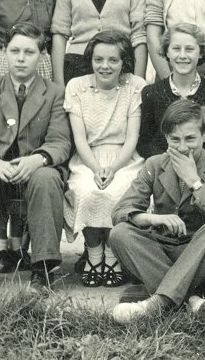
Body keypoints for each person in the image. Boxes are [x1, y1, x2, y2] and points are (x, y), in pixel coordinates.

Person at [0, 23, 72, 295]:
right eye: (15, 51)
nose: (21, 58)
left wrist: (38, 160)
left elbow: (60, 141)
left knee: (47, 179)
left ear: (41, 57)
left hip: (34, 170)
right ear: (4, 54)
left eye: (29, 52)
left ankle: (43, 267)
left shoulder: (54, 92)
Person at [109, 99, 205, 323]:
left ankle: (157, 303)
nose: (182, 147)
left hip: (200, 253)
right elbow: (120, 211)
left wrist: (194, 181)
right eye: (174, 139)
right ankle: (190, 299)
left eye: (190, 139)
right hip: (162, 251)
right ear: (166, 137)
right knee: (119, 233)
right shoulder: (155, 164)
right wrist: (153, 218)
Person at [64, 31, 147, 288]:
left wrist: (113, 168)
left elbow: (132, 137)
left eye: (113, 60)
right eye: (98, 59)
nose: (105, 66)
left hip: (125, 158)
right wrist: (96, 167)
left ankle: (112, 256)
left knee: (117, 192)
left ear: (124, 62)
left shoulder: (136, 86)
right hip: (88, 157)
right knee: (87, 191)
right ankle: (94, 254)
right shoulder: (76, 86)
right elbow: (79, 138)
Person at [138, 24, 205, 157]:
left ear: (200, 53)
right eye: (176, 49)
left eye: (189, 49)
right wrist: (170, 161)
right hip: (163, 167)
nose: (182, 55)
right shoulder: (151, 93)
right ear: (167, 52)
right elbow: (145, 143)